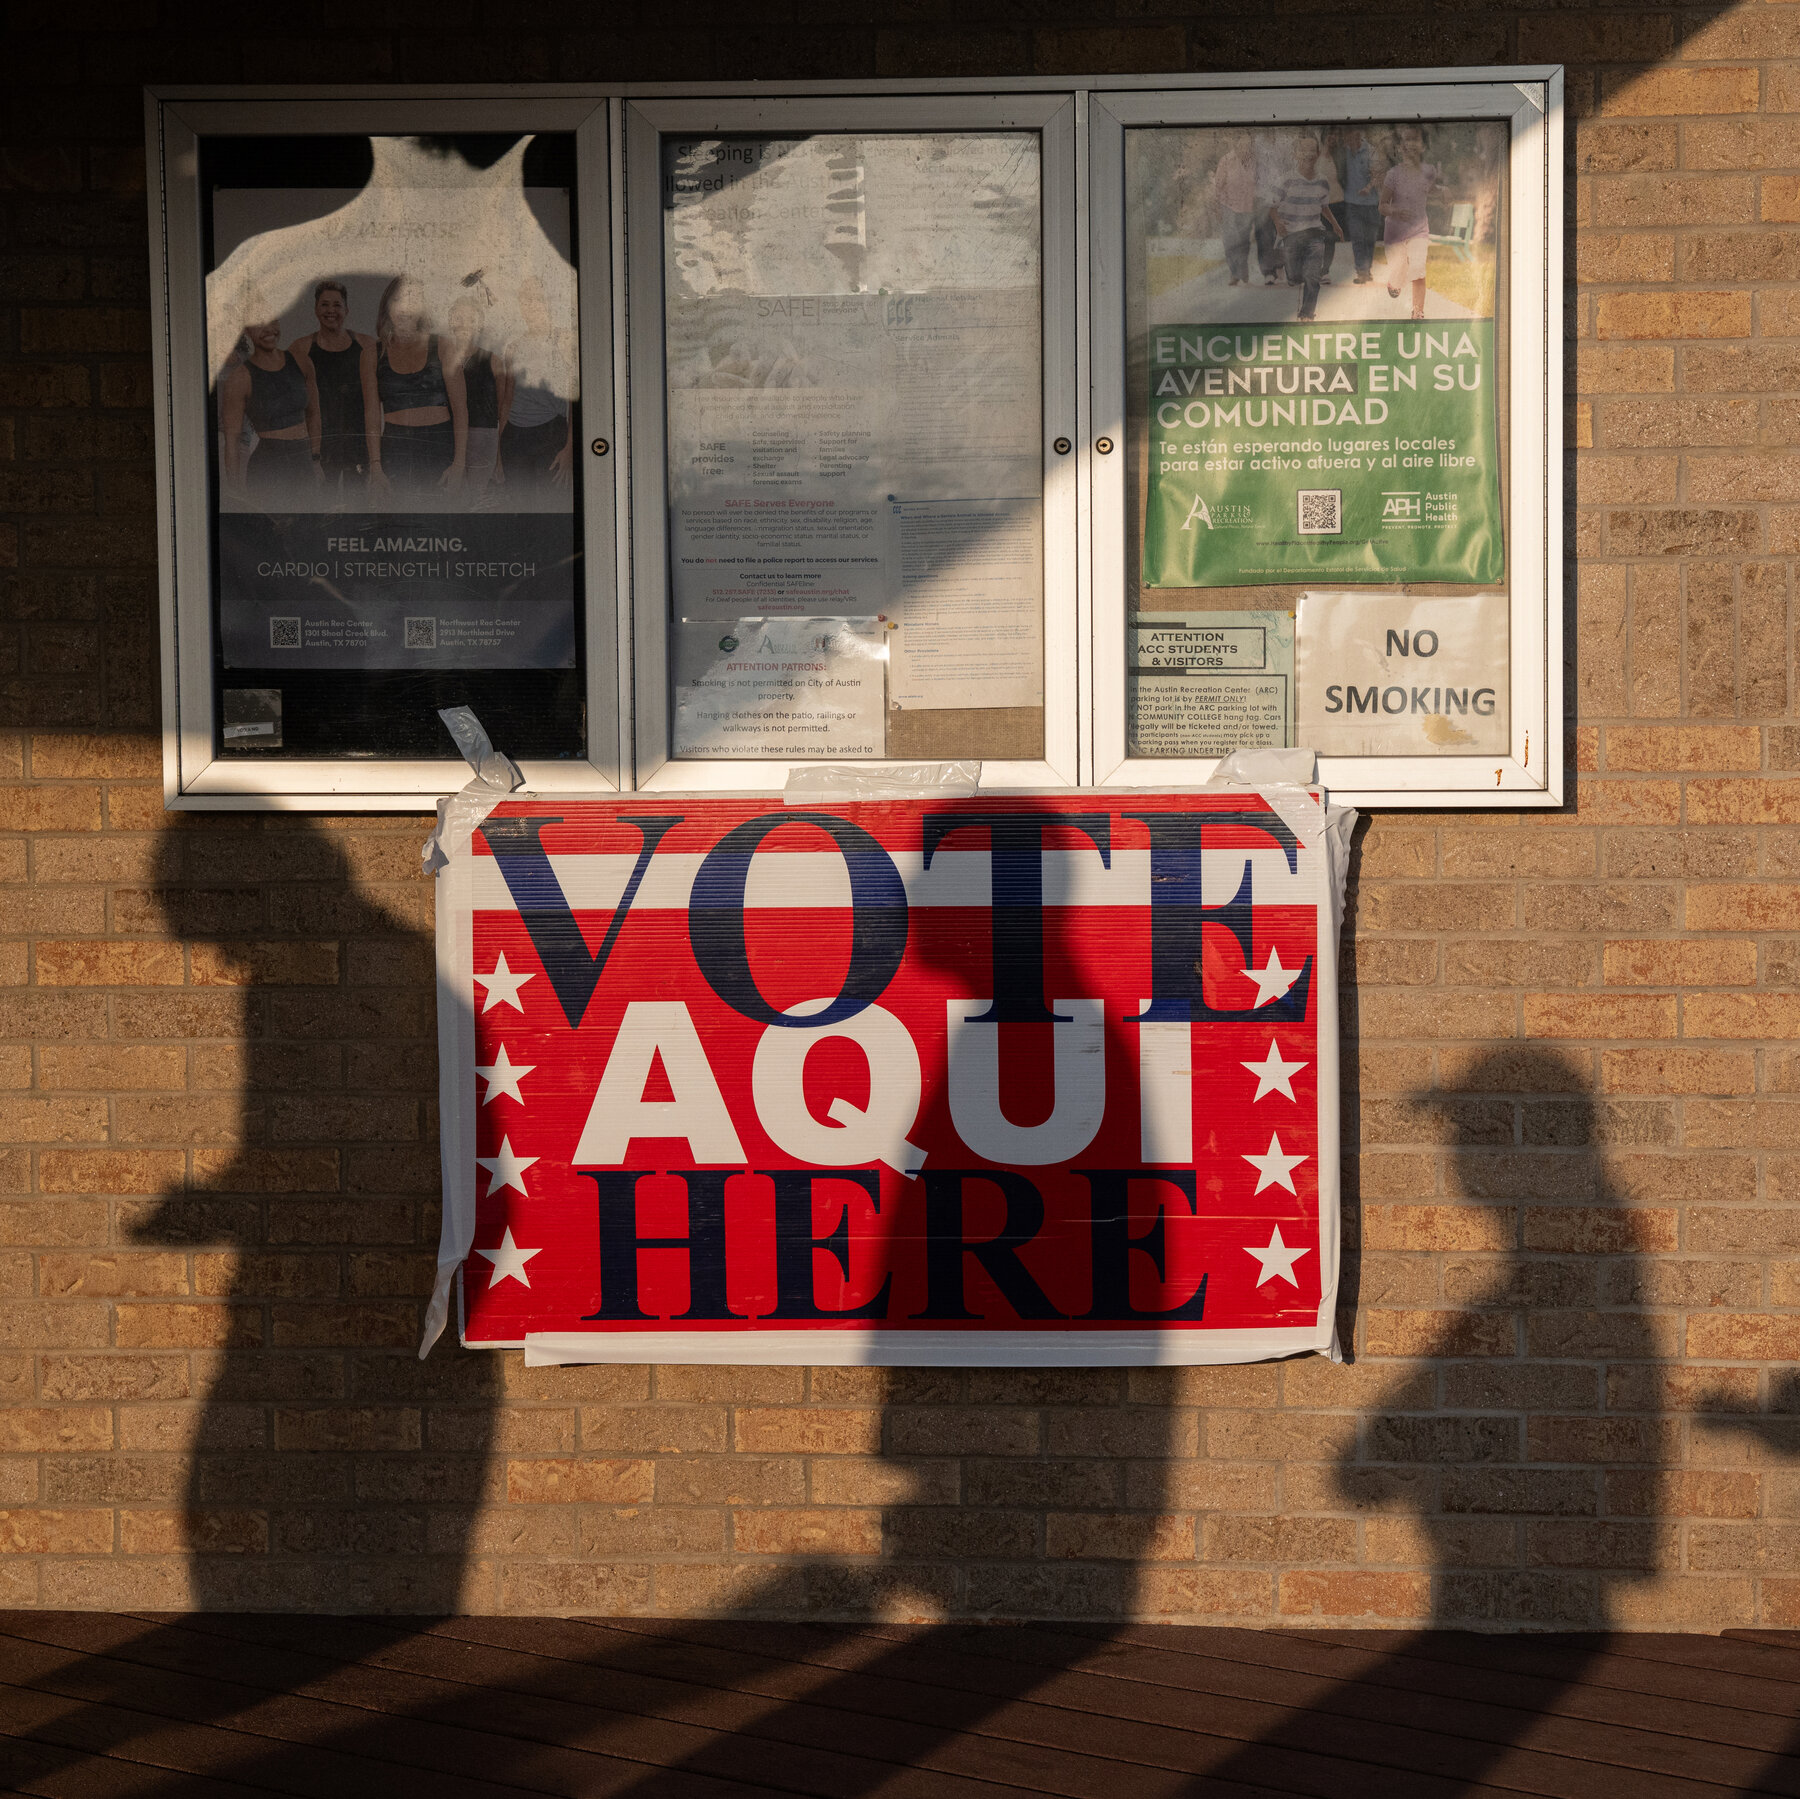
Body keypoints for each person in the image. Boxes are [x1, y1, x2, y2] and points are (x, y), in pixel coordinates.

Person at [373, 274, 467, 501]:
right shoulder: (372, 353)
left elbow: (461, 409)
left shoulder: (443, 346)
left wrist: (459, 464)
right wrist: (375, 466)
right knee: (399, 515)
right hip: (395, 449)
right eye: (398, 300)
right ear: (387, 306)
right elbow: (371, 415)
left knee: (439, 515)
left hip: (440, 445)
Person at [289, 279, 380, 495]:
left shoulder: (367, 345)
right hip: (319, 446)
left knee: (359, 506)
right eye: (324, 304)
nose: (331, 311)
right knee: (321, 506)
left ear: (346, 310)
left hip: (359, 443)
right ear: (315, 309)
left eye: (337, 305)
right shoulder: (300, 348)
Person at [217, 311, 318, 503]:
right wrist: (235, 490)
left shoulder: (301, 361)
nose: (269, 329)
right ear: (246, 330)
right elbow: (233, 440)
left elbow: (314, 415)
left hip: (304, 460)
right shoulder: (239, 379)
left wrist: (316, 458)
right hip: (268, 465)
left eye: (273, 321)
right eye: (259, 324)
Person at [498, 276, 574, 499]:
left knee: (551, 502)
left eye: (537, 299)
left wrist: (570, 449)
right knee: (519, 504)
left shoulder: (565, 340)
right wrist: (498, 452)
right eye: (525, 300)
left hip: (551, 434)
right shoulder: (514, 347)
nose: (531, 306)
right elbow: (508, 399)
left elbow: (576, 400)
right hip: (514, 437)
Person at [1269, 131, 1345, 323]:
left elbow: (1324, 207)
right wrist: (1278, 223)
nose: (1308, 154)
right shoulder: (1286, 180)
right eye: (1304, 150)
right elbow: (1272, 206)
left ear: (1318, 154)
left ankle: (1307, 314)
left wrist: (1336, 226)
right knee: (1294, 277)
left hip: (1314, 233)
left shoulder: (1322, 181)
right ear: (1296, 154)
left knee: (1312, 276)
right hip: (1291, 235)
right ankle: (1291, 272)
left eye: (1312, 150)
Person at [445, 294, 511, 508]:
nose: (465, 324)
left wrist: (499, 455)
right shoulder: (442, 359)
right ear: (451, 321)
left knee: (477, 500)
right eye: (459, 317)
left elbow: (503, 411)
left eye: (471, 319)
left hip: (483, 437)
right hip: (448, 435)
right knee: (452, 498)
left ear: (479, 324)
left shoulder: (493, 360)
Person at [1381, 122, 1444, 320]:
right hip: (1395, 233)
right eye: (1407, 140)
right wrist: (1396, 211)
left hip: (1419, 230)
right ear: (1400, 147)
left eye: (1415, 139)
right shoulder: (1393, 175)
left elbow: (1431, 189)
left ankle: (1418, 311)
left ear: (1423, 146)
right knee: (1399, 274)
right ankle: (1394, 282)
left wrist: (1443, 193)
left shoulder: (1429, 171)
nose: (1411, 144)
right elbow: (1382, 205)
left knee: (1417, 268)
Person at [1211, 130, 1258, 287]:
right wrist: (1218, 208)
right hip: (1228, 206)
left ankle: (1242, 270)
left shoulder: (1254, 162)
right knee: (1231, 240)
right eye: (1242, 144)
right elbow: (1218, 187)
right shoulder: (1226, 161)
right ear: (1236, 145)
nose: (1245, 148)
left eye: (1248, 145)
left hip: (1247, 207)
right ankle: (1234, 273)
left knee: (1244, 241)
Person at [1339, 125, 1382, 285]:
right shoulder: (1343, 152)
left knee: (1369, 239)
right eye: (1347, 138)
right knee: (1357, 237)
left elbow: (1377, 174)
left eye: (1353, 137)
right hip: (1352, 203)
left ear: (1358, 136)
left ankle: (1367, 269)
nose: (1350, 141)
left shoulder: (1371, 151)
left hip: (1371, 203)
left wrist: (1368, 188)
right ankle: (1361, 271)